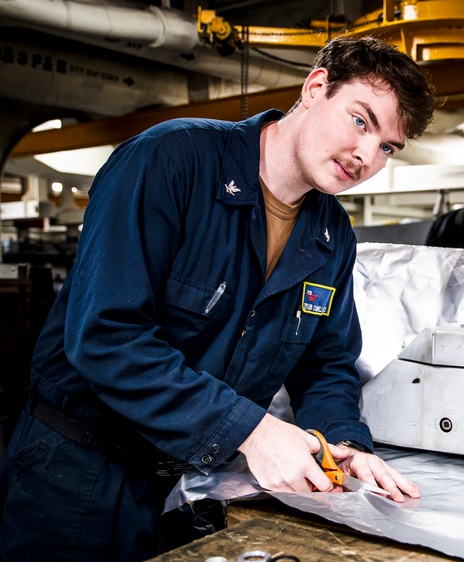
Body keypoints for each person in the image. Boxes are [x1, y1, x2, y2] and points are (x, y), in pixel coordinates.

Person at [0, 36, 436, 561]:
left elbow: (326, 365)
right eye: (361, 121)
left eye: (388, 146)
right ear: (316, 87)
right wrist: (251, 430)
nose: (367, 155)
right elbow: (106, 337)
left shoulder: (331, 234)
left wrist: (341, 442)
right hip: (77, 475)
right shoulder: (170, 161)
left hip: (191, 481)